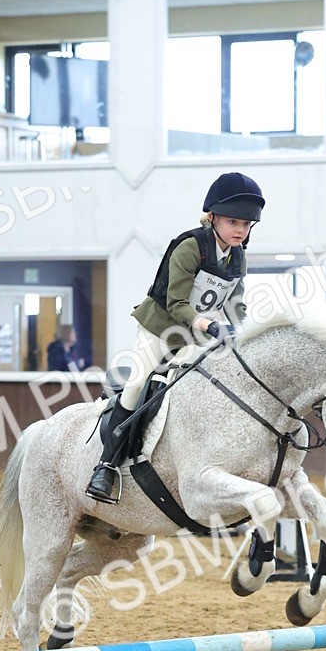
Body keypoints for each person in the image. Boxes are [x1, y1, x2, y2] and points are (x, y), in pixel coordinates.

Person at [86, 171, 266, 503]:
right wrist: (210, 327)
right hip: (160, 329)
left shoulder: (238, 256)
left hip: (196, 335)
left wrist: (240, 332)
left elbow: (237, 304)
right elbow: (176, 303)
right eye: (233, 222)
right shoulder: (189, 247)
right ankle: (106, 466)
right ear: (212, 217)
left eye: (246, 224)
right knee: (138, 384)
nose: (240, 230)